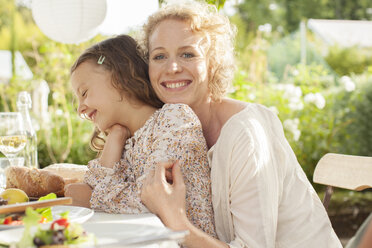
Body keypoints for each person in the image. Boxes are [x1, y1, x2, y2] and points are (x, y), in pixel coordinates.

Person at [139, 1, 343, 247]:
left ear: (212, 62)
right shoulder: (170, 129)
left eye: (188, 54)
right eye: (159, 56)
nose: (172, 68)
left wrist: (175, 220)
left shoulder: (245, 133)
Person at [64, 34, 216, 238]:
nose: (80, 109)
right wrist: (115, 138)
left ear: (118, 78)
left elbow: (152, 200)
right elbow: (94, 184)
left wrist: (92, 197)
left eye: (84, 93)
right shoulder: (128, 140)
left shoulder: (174, 119)